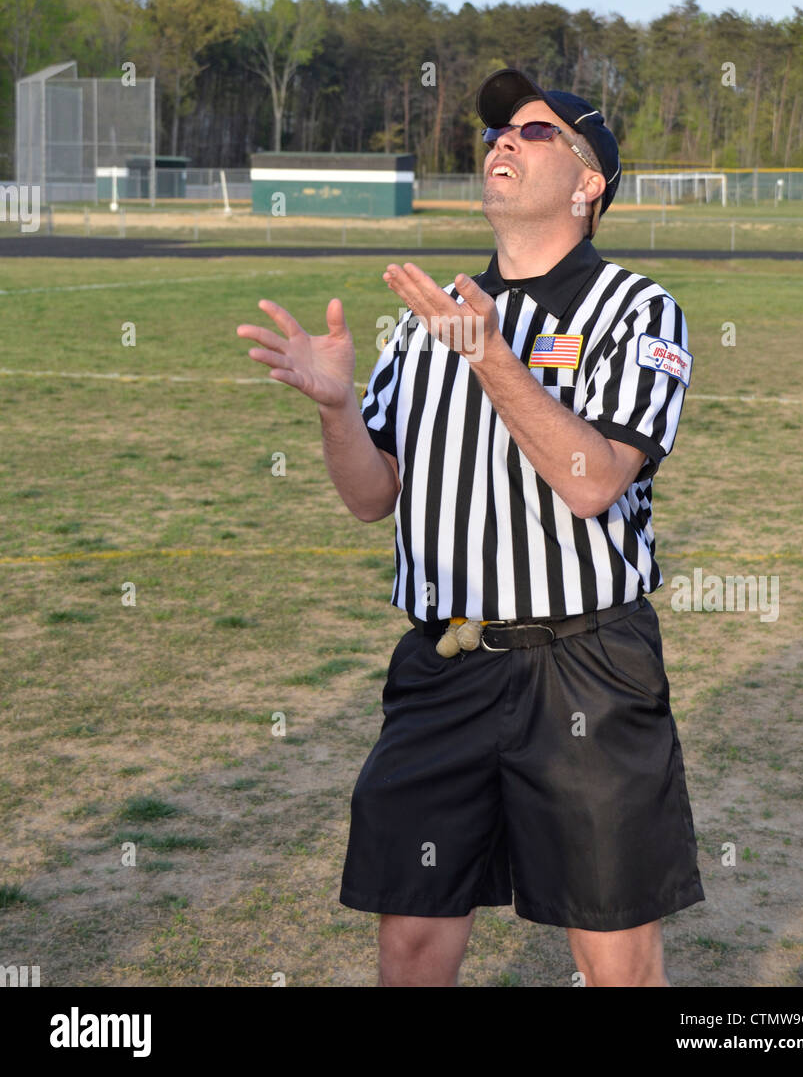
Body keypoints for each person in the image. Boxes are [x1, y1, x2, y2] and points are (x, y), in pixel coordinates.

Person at [237, 66, 704, 987]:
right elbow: (374, 495)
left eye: (536, 134)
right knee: (411, 940)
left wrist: (490, 355)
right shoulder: (424, 324)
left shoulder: (636, 310)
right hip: (443, 661)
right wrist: (335, 411)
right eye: (499, 131)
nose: (503, 141)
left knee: (614, 956)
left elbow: (593, 482)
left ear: (588, 183)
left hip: (585, 668)